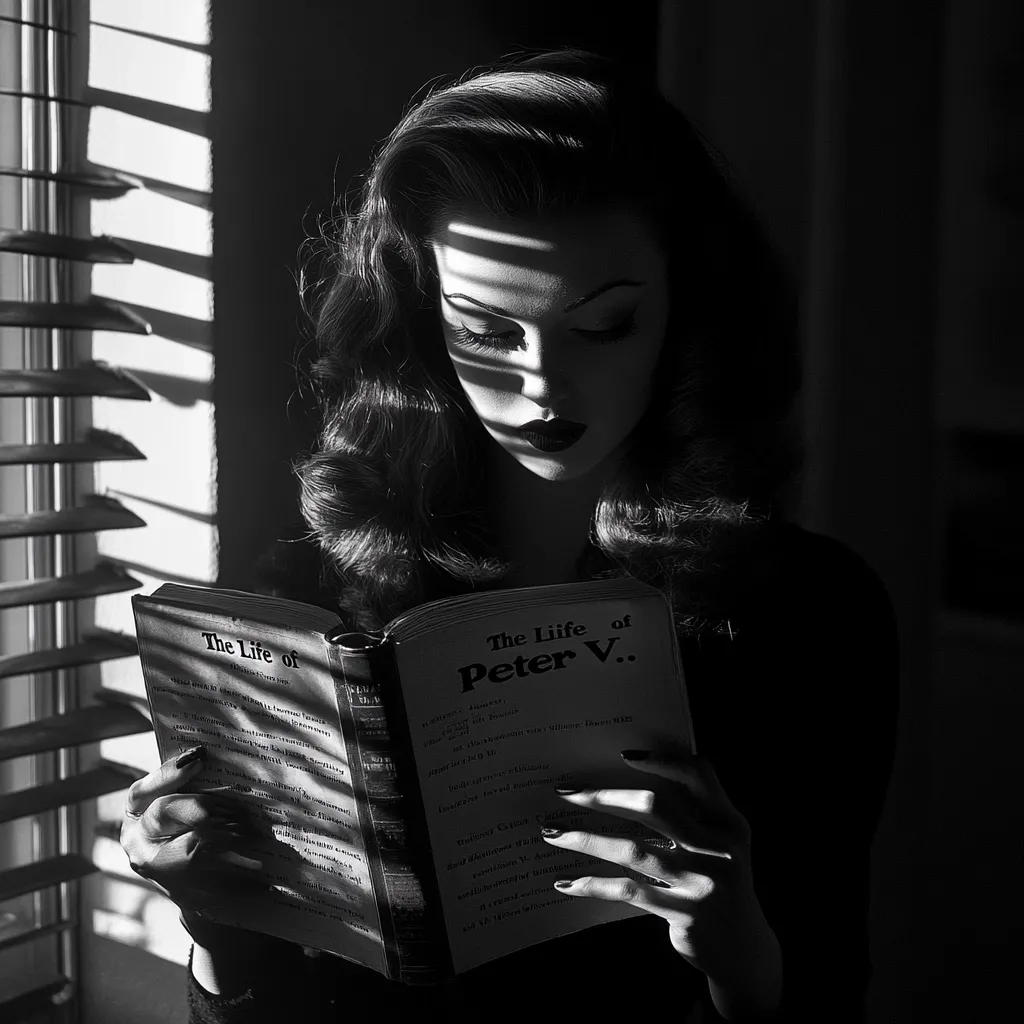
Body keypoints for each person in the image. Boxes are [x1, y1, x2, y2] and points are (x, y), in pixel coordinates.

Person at [120, 47, 899, 1022]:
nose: (540, 384)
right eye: (487, 330)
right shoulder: (308, 604)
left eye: (602, 326)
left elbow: (828, 991)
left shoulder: (809, 615)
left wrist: (736, 951)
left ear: (683, 318)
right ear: (423, 323)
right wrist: (217, 937)